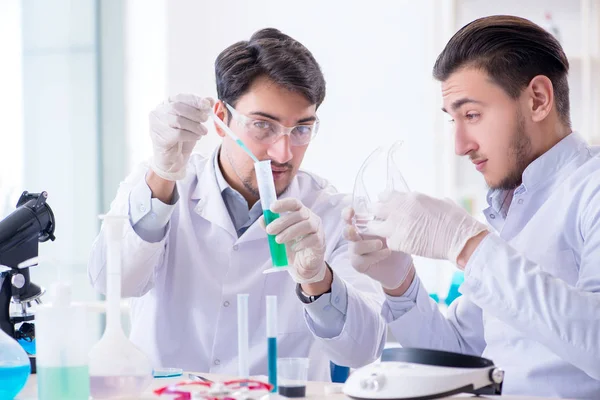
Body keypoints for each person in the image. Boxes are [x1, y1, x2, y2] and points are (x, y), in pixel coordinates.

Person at [88, 28, 385, 381]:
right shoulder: (161, 185)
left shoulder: (334, 214)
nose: (283, 153)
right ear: (221, 118)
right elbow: (111, 282)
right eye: (263, 125)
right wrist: (162, 177)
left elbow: (363, 350)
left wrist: (318, 281)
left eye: (302, 129)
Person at [344, 15, 600, 398]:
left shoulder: (592, 187)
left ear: (538, 99)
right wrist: (400, 283)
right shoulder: (511, 206)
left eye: (472, 115)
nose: (460, 145)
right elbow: (463, 352)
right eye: (453, 120)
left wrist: (467, 246)